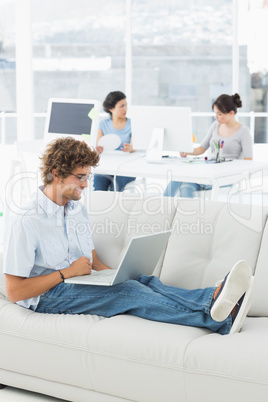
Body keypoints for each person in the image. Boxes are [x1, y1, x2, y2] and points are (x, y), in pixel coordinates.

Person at [3, 137, 254, 335]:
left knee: (141, 281)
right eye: (80, 177)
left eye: (87, 177)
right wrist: (66, 273)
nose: (85, 184)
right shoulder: (27, 220)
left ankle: (212, 297)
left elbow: (90, 258)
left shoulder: (75, 209)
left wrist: (115, 275)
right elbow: (14, 292)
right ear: (56, 174)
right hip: (46, 296)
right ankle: (217, 317)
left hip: (76, 282)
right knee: (127, 294)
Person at [163, 93, 253, 198]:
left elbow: (248, 160)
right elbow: (202, 148)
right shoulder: (215, 126)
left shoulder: (243, 131)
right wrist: (187, 151)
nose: (216, 117)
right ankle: (173, 210)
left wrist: (231, 167)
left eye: (220, 114)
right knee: (184, 183)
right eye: (215, 113)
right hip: (209, 170)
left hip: (226, 176)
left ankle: (163, 207)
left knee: (183, 180)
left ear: (231, 113)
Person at [93, 91, 136, 192]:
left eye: (126, 105)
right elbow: (97, 145)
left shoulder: (132, 123)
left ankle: (113, 207)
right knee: (99, 187)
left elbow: (134, 146)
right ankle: (99, 207)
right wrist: (97, 149)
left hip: (125, 167)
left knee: (115, 189)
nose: (125, 109)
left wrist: (130, 148)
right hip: (107, 165)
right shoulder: (102, 124)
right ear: (111, 109)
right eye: (121, 106)